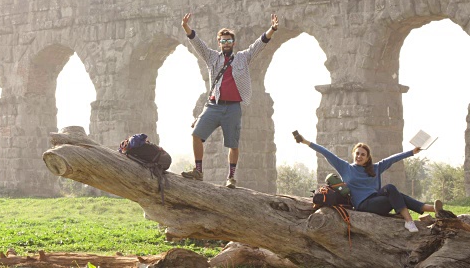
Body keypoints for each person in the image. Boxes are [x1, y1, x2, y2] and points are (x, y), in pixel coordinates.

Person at [180, 12, 278, 188]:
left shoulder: (242, 57)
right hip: (214, 105)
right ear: (219, 43)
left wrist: (272, 29)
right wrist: (186, 27)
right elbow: (197, 43)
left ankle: (231, 177)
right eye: (223, 41)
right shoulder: (212, 58)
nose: (226, 44)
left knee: (233, 144)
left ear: (233, 43)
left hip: (233, 108)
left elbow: (259, 44)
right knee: (196, 135)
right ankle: (198, 171)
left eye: (229, 41)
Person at [293, 131, 446, 232]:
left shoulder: (375, 168)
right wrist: (305, 141)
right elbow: (325, 152)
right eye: (357, 153)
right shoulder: (345, 168)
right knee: (393, 191)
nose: (359, 156)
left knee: (393, 191)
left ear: (367, 158)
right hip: (364, 205)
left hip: (378, 201)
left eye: (363, 155)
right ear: (354, 154)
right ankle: (410, 219)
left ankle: (433, 209)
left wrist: (412, 152)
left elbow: (394, 158)